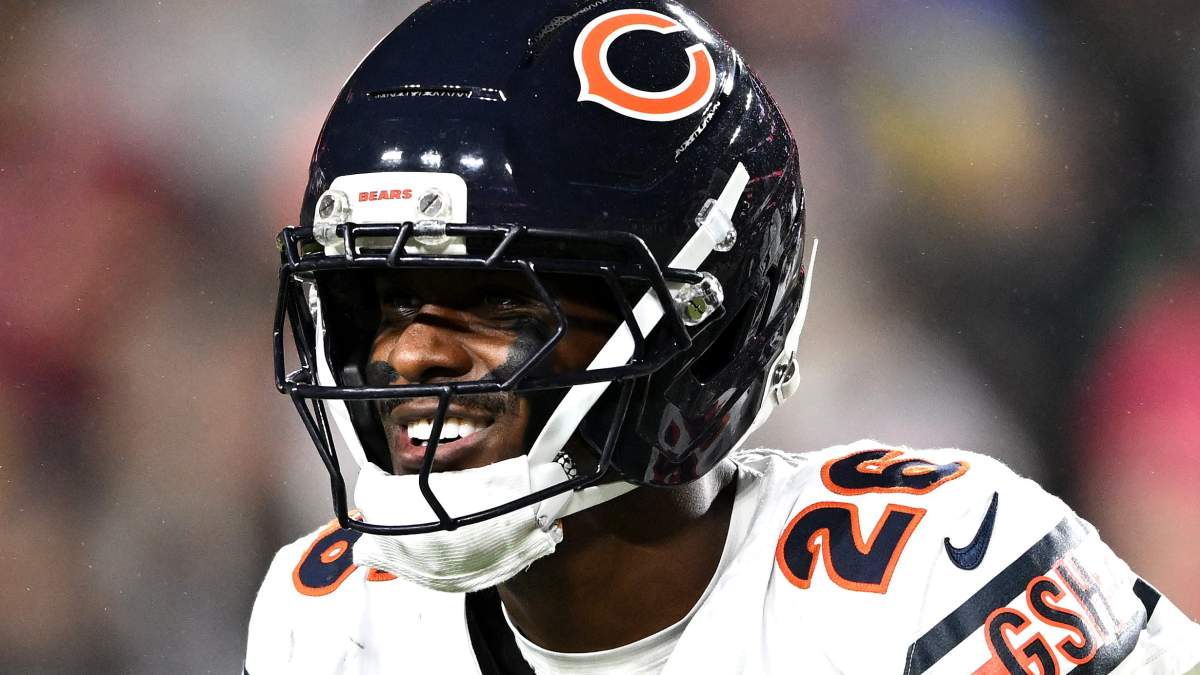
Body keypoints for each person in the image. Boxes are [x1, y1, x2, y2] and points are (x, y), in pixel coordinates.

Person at [245, 1, 1200, 672]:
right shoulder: (332, 618)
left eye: (498, 300)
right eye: (384, 301)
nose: (409, 353)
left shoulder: (933, 580)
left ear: (703, 332)